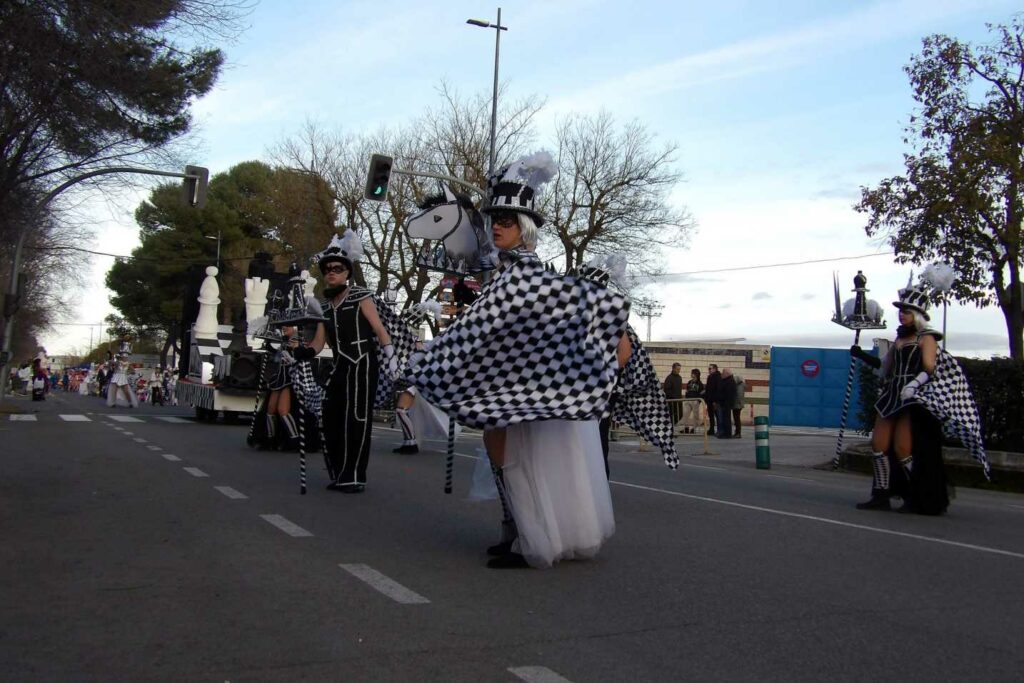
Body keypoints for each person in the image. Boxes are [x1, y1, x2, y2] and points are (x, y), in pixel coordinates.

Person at [406, 152, 631, 569]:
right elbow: (486, 326)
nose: (496, 227)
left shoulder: (524, 276)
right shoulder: (509, 273)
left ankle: (529, 537)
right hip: (511, 387)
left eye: (506, 222)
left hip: (521, 391)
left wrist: (426, 360)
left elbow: (594, 307)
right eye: (495, 220)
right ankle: (517, 531)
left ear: (524, 228)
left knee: (514, 458)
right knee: (505, 455)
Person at [849, 279, 990, 514]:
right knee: (878, 445)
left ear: (917, 314)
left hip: (912, 399)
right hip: (891, 395)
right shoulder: (899, 340)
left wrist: (914, 385)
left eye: (906, 312)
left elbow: (929, 368)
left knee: (903, 449)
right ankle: (881, 495)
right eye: (900, 312)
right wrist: (861, 356)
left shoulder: (927, 339)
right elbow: (885, 367)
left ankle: (917, 495)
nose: (901, 315)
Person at [293, 232, 407, 493]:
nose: (331, 273)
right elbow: (319, 343)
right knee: (330, 415)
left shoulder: (360, 296)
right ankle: (339, 471)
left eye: (337, 269)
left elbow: (380, 329)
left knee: (356, 420)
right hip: (340, 367)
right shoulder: (324, 307)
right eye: (328, 269)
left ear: (347, 272)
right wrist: (303, 353)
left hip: (363, 365)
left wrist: (391, 359)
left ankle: (354, 476)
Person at [682, 369, 704, 434]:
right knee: (685, 414)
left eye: (692, 373)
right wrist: (686, 396)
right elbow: (687, 390)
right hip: (688, 400)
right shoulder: (689, 382)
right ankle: (686, 428)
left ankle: (693, 428)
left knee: (695, 415)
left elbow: (701, 393)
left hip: (695, 401)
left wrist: (698, 401)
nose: (691, 374)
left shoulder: (700, 383)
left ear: (696, 374)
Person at [716, 368, 736, 438]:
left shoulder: (729, 381)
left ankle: (727, 434)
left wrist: (723, 401)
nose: (722, 374)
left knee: (726, 419)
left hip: (726, 403)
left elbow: (728, 394)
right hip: (724, 403)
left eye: (723, 373)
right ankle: (725, 433)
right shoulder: (726, 381)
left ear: (727, 374)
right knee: (724, 419)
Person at [662, 363, 683, 428]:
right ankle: (670, 429)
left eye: (679, 369)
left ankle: (673, 427)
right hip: (671, 400)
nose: (679, 370)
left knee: (680, 415)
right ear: (673, 369)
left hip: (678, 400)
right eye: (677, 369)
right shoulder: (669, 378)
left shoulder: (679, 378)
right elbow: (667, 390)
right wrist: (673, 397)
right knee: (670, 416)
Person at [704, 363, 721, 436]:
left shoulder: (718, 377)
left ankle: (719, 430)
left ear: (715, 369)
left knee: (717, 415)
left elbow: (717, 390)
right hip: (709, 400)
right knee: (711, 416)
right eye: (708, 369)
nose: (709, 370)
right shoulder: (709, 377)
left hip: (714, 400)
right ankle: (711, 429)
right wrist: (706, 399)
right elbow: (708, 389)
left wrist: (715, 400)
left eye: (710, 369)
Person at [731, 371, 745, 437]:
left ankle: (738, 432)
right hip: (740, 404)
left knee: (736, 419)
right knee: (737, 418)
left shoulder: (738, 387)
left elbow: (737, 396)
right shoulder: (742, 385)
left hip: (737, 404)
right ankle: (737, 432)